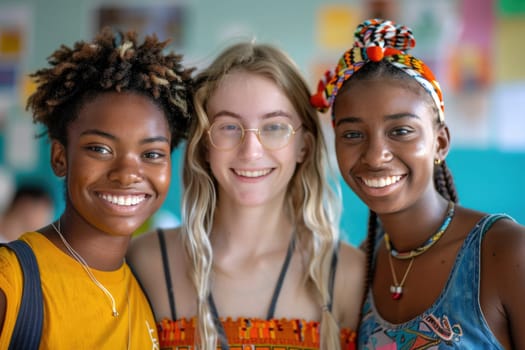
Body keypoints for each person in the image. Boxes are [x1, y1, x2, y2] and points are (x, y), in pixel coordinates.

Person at [127, 42, 365, 350]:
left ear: (303, 146)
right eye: (228, 126)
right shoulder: (145, 260)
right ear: (204, 144)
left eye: (274, 127)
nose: (251, 151)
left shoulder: (347, 273)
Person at [310, 18, 525, 349]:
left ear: (440, 142)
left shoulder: (505, 252)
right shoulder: (362, 267)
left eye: (400, 131)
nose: (375, 155)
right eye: (352, 134)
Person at [0, 27, 193, 349]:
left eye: (152, 154)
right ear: (60, 157)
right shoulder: (13, 281)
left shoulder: (151, 289)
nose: (127, 173)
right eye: (100, 149)